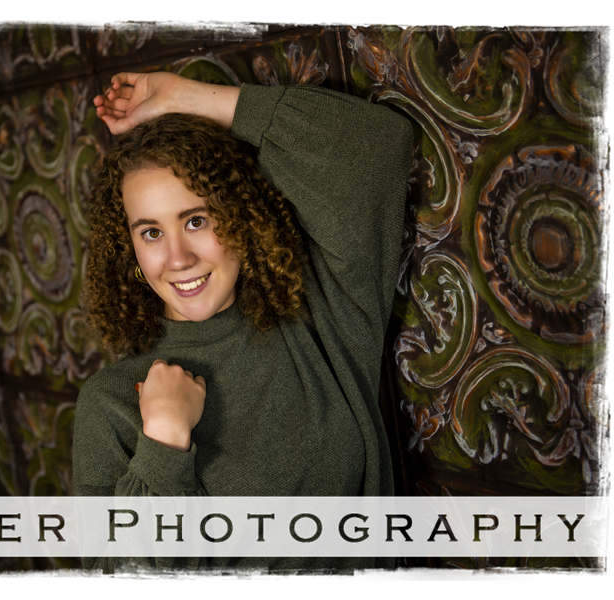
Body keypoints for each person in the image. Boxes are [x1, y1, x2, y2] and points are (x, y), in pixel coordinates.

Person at [73, 71, 414, 573]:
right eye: (150, 232)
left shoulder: (320, 318)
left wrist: (189, 99)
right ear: (130, 249)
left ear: (239, 214)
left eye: (196, 221)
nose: (178, 258)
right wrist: (164, 439)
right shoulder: (112, 406)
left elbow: (379, 144)